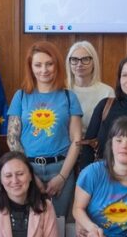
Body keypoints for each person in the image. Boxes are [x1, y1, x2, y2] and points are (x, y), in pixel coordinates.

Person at [8, 42, 83, 218]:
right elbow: (12, 139)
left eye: (49, 64)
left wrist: (62, 177)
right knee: (29, 225)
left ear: (57, 64)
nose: (44, 70)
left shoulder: (69, 97)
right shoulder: (21, 96)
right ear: (30, 67)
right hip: (27, 169)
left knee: (58, 224)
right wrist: (30, 174)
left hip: (61, 168)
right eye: (38, 65)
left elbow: (76, 140)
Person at [66, 40, 114, 129]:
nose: (79, 64)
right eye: (74, 60)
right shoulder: (61, 90)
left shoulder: (107, 92)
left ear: (94, 62)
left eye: (85, 59)